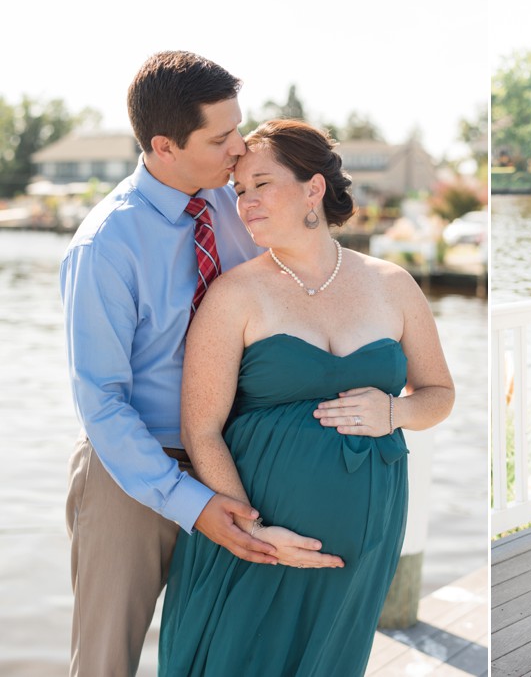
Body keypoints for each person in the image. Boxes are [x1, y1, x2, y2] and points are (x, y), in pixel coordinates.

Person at [60, 51, 331, 677]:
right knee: (106, 663)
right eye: (220, 138)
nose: (239, 148)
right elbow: (101, 401)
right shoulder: (105, 247)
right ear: (164, 145)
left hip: (237, 470)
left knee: (222, 654)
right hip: (132, 477)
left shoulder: (239, 213)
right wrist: (188, 501)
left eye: (238, 127)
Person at [158, 119, 455, 676]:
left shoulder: (392, 284)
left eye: (262, 184)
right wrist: (253, 532)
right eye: (239, 191)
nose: (245, 203)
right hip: (254, 541)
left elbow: (439, 395)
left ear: (313, 188)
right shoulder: (233, 294)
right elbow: (201, 430)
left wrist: (394, 411)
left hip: (361, 542)